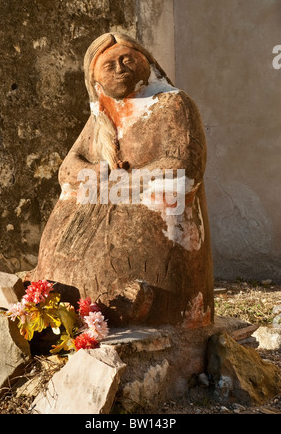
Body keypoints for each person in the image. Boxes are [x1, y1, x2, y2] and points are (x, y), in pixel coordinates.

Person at [31, 33, 214, 327]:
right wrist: (98, 174)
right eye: (109, 65)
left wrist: (121, 183)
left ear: (147, 62)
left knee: (153, 208)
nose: (119, 68)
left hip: (154, 207)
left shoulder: (172, 104)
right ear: (96, 82)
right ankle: (52, 297)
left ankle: (126, 303)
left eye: (127, 59)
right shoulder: (100, 116)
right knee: (68, 201)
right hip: (102, 204)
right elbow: (67, 170)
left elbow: (184, 169)